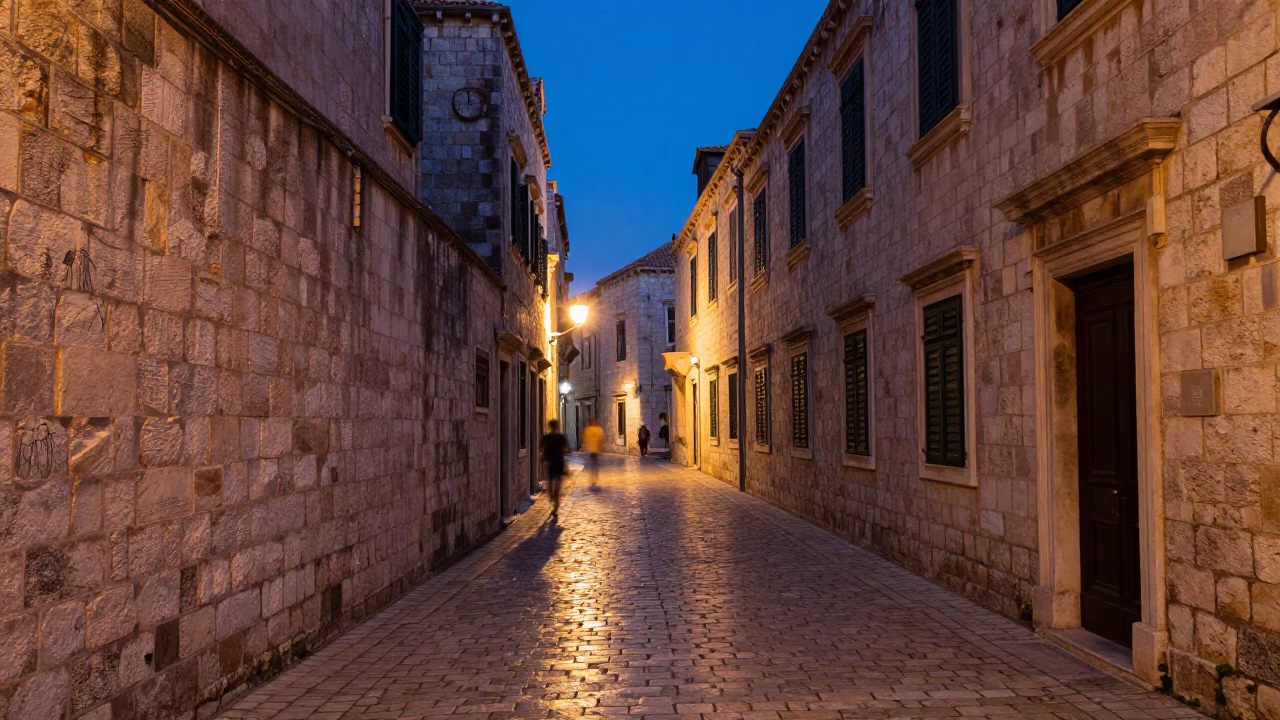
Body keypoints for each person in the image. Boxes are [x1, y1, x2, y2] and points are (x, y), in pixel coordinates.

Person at [539, 420, 569, 518]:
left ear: (550, 426)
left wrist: (542, 458)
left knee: (550, 485)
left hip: (550, 464)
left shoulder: (546, 438)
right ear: (557, 426)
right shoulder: (561, 438)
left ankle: (552, 499)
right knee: (557, 487)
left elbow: (541, 450)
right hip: (559, 464)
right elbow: (565, 451)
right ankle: (556, 507)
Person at [582, 417, 604, 485]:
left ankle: (592, 478)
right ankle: (594, 478)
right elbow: (601, 439)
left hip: (591, 450)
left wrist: (586, 447)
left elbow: (585, 439)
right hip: (596, 450)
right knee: (595, 464)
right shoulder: (599, 429)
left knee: (592, 464)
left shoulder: (587, 430)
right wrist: (601, 447)